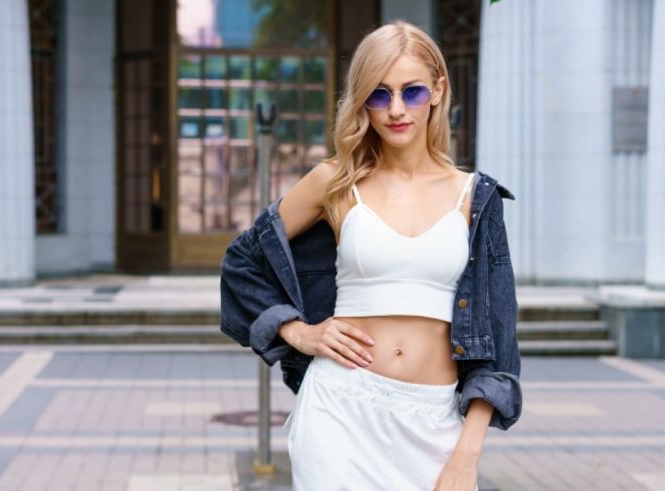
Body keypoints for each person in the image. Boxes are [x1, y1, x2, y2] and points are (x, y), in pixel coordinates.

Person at [219, 20, 522, 491]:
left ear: (439, 90)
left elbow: (500, 341)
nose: (396, 110)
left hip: (434, 420)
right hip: (340, 408)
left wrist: (469, 451)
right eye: (379, 95)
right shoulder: (335, 182)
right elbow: (242, 260)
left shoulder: (476, 198)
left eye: (412, 92)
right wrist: (298, 331)